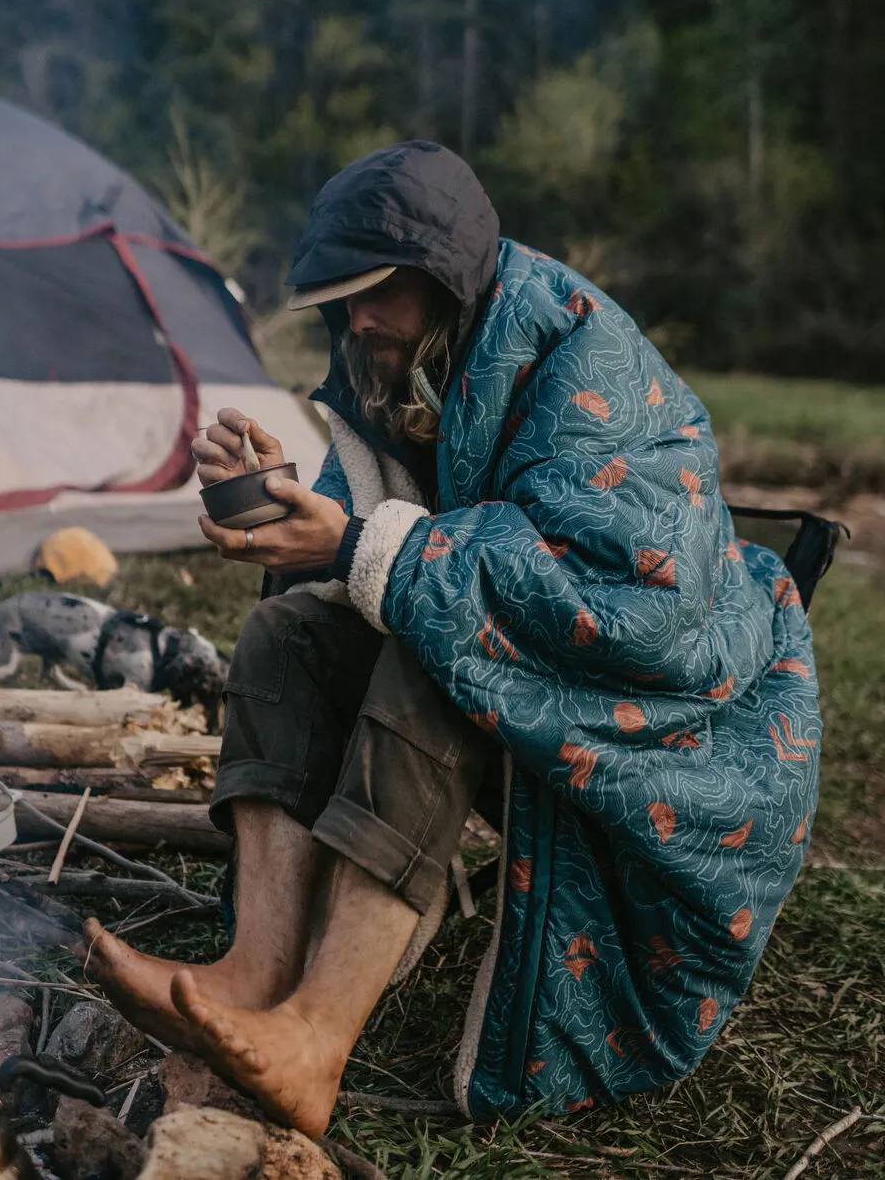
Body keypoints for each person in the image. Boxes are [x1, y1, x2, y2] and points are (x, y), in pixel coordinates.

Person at [81, 142, 821, 1136]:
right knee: (287, 634)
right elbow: (391, 522)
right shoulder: (413, 352)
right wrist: (289, 500)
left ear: (447, 278)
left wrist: (353, 540)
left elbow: (635, 605)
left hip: (684, 724)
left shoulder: (583, 358)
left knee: (436, 659)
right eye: (340, 300)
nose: (357, 318)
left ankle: (315, 1040)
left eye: (376, 293)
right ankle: (256, 966)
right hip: (568, 682)